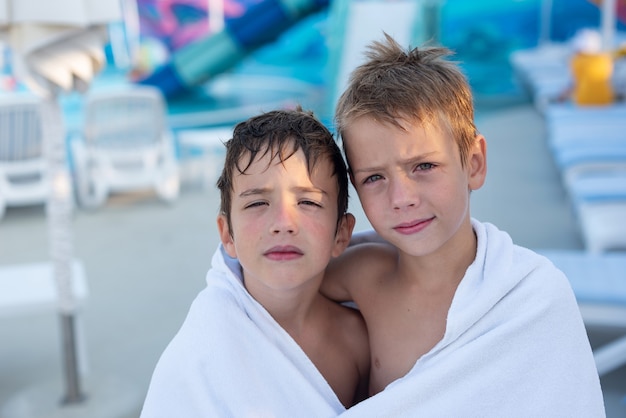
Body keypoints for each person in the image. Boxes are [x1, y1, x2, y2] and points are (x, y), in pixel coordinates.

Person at [324, 34, 606, 417]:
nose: (401, 198)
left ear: (473, 163)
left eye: (424, 166)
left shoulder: (533, 296)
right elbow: (270, 287)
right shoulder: (362, 276)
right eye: (375, 178)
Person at [140, 108, 369, 417]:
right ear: (227, 235)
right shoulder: (196, 359)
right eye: (258, 203)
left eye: (309, 202)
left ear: (341, 234)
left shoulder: (357, 341)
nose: (283, 223)